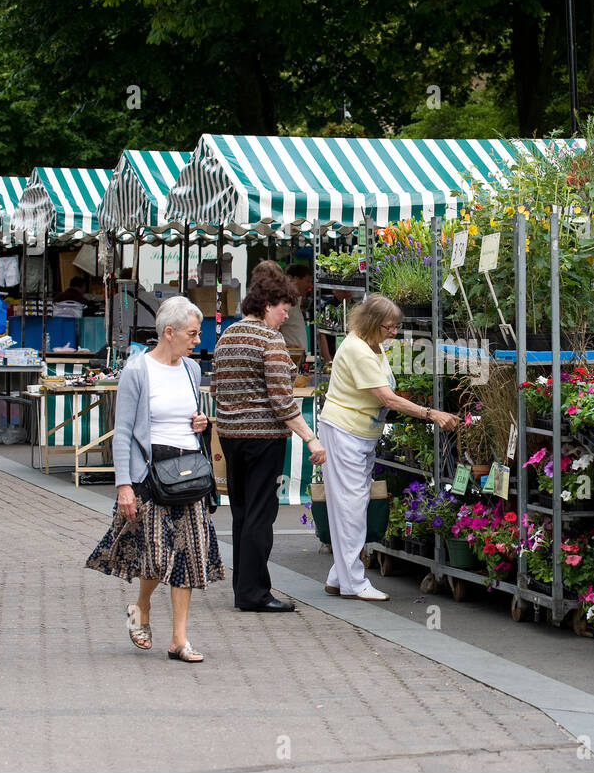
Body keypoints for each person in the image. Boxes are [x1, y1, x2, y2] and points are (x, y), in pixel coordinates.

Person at [86, 295, 222, 663]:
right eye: (192, 334)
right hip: (151, 474)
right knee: (158, 558)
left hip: (188, 470)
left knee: (190, 556)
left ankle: (179, 638)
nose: (197, 341)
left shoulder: (191, 371)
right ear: (169, 332)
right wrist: (124, 486)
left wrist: (201, 423)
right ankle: (142, 606)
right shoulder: (137, 371)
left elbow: (192, 417)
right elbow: (124, 431)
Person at [319, 295, 458, 601]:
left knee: (351, 504)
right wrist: (431, 413)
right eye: (390, 326)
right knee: (351, 507)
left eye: (396, 326)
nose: (394, 332)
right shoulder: (358, 350)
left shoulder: (370, 343)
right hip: (346, 432)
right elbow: (388, 398)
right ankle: (353, 583)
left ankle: (338, 577)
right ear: (372, 323)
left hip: (358, 433)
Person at [212, 271, 326, 612]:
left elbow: (216, 389)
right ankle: (255, 593)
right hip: (263, 437)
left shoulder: (227, 336)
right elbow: (281, 400)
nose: (287, 314)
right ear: (266, 305)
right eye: (283, 307)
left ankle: (243, 587)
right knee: (261, 516)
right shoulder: (270, 340)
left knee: (243, 513)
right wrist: (310, 438)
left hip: (230, 436)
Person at [281, 262, 312, 353]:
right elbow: (273, 328)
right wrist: (284, 346)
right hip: (290, 358)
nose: (310, 286)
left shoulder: (295, 300)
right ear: (295, 279)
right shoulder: (286, 301)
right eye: (308, 281)